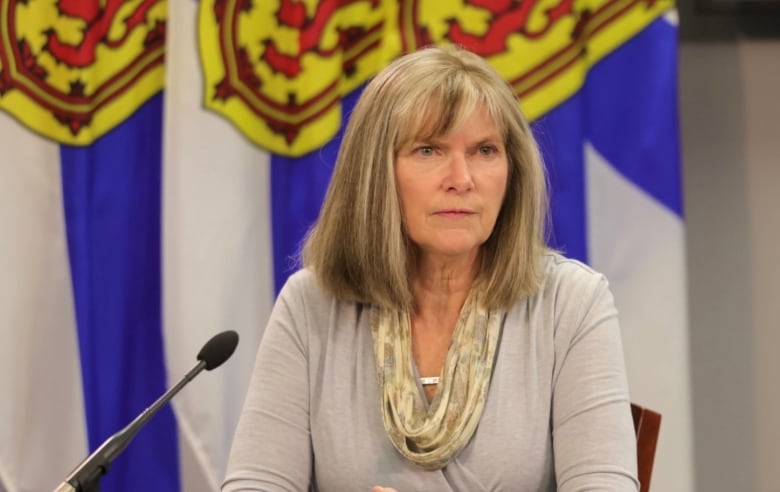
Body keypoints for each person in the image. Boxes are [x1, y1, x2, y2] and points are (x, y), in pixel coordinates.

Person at [222, 45, 638, 491]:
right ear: (376, 174)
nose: (461, 178)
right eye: (428, 150)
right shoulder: (311, 307)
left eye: (484, 150)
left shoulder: (570, 304)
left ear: (511, 171)